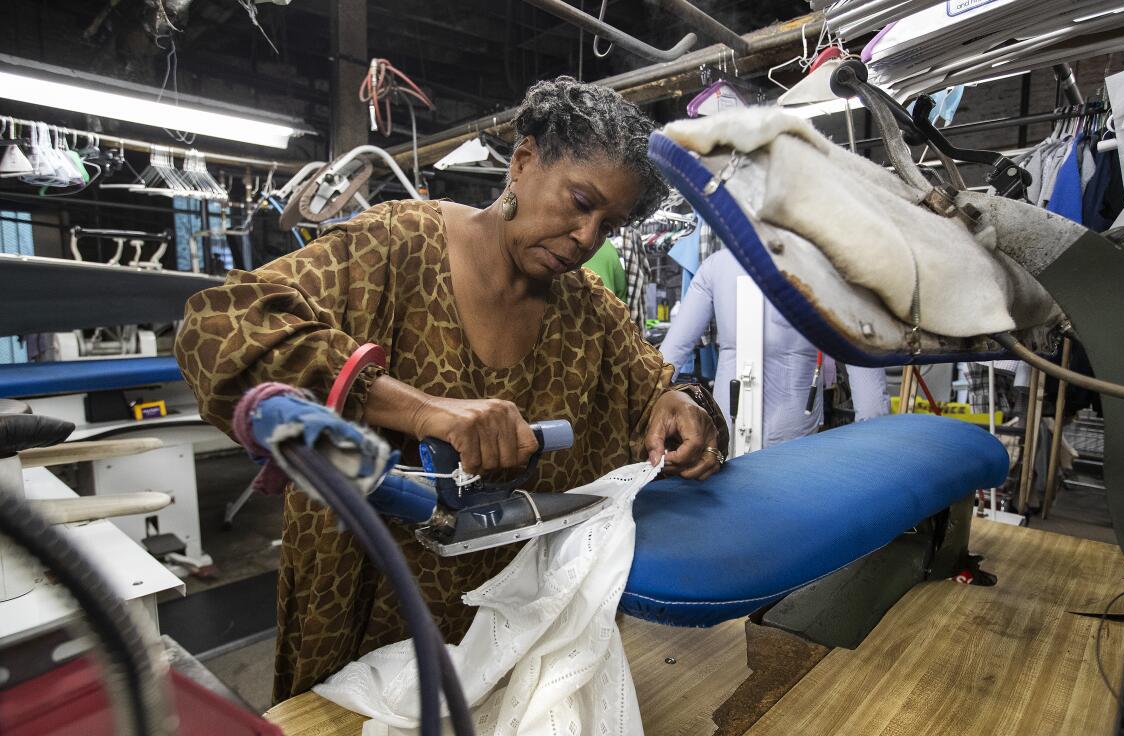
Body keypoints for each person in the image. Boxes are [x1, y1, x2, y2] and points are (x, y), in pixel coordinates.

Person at [175, 77, 727, 702]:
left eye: (608, 224)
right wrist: (421, 410)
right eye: (579, 202)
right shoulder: (393, 249)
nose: (585, 237)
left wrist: (686, 406)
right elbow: (219, 327)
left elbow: (654, 392)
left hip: (524, 638)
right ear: (522, 163)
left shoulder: (589, 312)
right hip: (374, 620)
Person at [659, 249, 889, 447]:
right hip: (791, 433)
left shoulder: (718, 265)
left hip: (735, 427)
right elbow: (869, 390)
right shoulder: (829, 268)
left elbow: (670, 356)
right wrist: (874, 454)